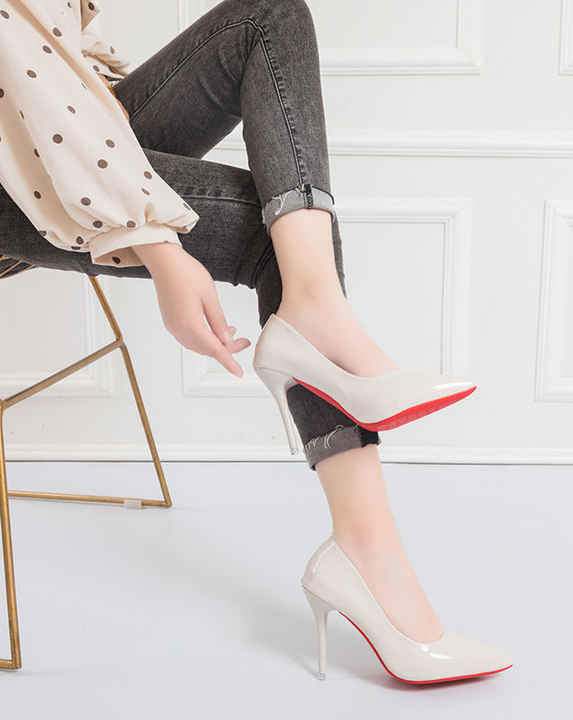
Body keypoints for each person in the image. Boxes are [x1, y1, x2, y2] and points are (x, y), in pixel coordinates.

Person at [0, 0, 511, 683]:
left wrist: (113, 125)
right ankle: (369, 552)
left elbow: (44, 55)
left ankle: (318, 318)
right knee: (282, 242)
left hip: (54, 117)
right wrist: (157, 247)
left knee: (269, 19)